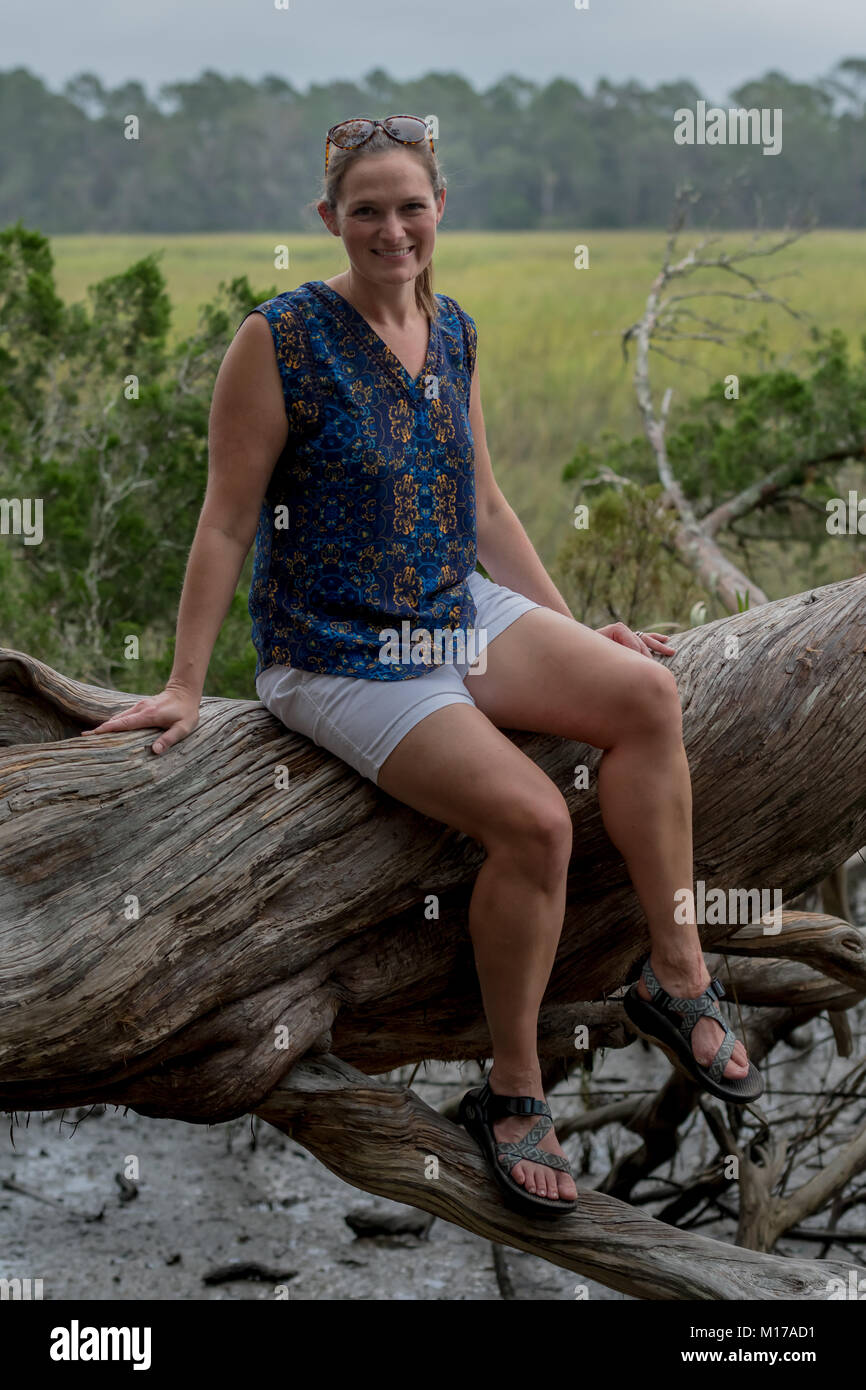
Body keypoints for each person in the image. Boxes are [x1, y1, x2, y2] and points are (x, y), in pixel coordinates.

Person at [82, 114, 761, 1219]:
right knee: (534, 819)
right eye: (366, 210)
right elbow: (224, 522)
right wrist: (183, 683)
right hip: (341, 650)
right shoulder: (282, 337)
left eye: (409, 206)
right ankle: (510, 1089)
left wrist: (571, 626)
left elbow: (483, 505)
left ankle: (673, 975)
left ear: (438, 208)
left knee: (642, 693)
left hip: (453, 610)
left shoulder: (453, 331)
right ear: (328, 219)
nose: (390, 228)